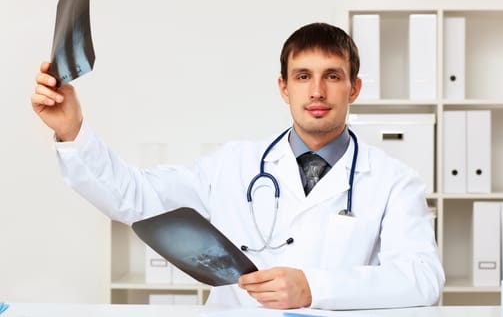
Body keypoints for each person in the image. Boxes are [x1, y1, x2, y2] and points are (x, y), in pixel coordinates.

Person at [32, 22, 445, 310]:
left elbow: (422, 278)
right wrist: (73, 132)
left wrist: (314, 287)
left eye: (332, 76)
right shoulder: (233, 165)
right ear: (283, 88)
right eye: (303, 76)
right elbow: (135, 197)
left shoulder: (394, 181)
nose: (317, 91)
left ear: (354, 88)